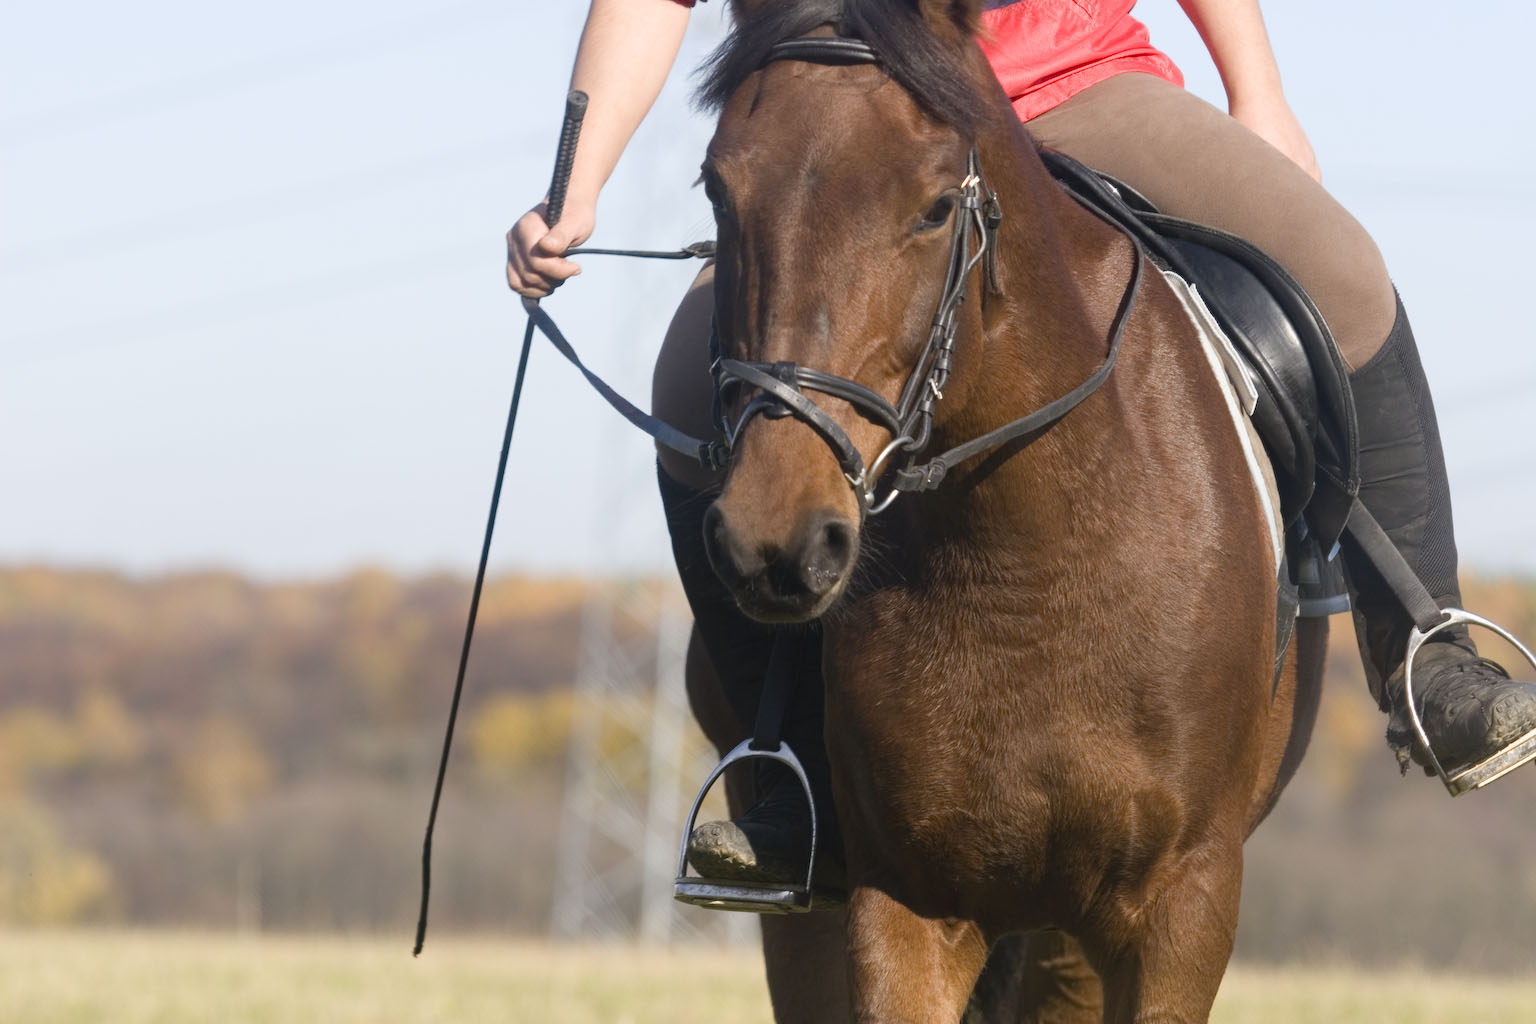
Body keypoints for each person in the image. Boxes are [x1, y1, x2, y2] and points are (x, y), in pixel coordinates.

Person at [507, 0, 1536, 890]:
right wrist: (579, 183)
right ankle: (789, 764)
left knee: (1343, 272)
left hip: (1071, 86)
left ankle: (1429, 657)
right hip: (845, 122)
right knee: (691, 376)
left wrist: (1257, 93)